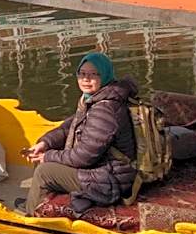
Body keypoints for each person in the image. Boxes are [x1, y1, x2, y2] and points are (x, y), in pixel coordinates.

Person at [22, 52, 138, 216]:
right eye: (82, 74)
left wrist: (48, 157)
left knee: (44, 172)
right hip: (102, 170)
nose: (86, 79)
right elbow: (69, 127)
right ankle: (37, 202)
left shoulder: (105, 108)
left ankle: (31, 218)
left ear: (104, 75)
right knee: (41, 154)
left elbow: (84, 156)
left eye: (93, 74)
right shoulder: (93, 98)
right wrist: (45, 144)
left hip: (110, 178)